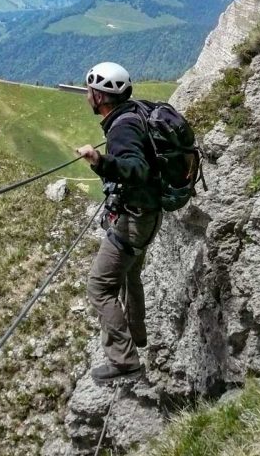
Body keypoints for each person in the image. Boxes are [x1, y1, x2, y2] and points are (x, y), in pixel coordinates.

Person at [76, 61, 163, 382]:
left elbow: (136, 169)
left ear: (100, 96)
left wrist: (99, 161)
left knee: (99, 286)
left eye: (89, 91)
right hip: (151, 215)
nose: (87, 96)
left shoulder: (121, 128)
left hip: (134, 220)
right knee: (131, 275)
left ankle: (124, 360)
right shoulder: (134, 113)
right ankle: (137, 335)